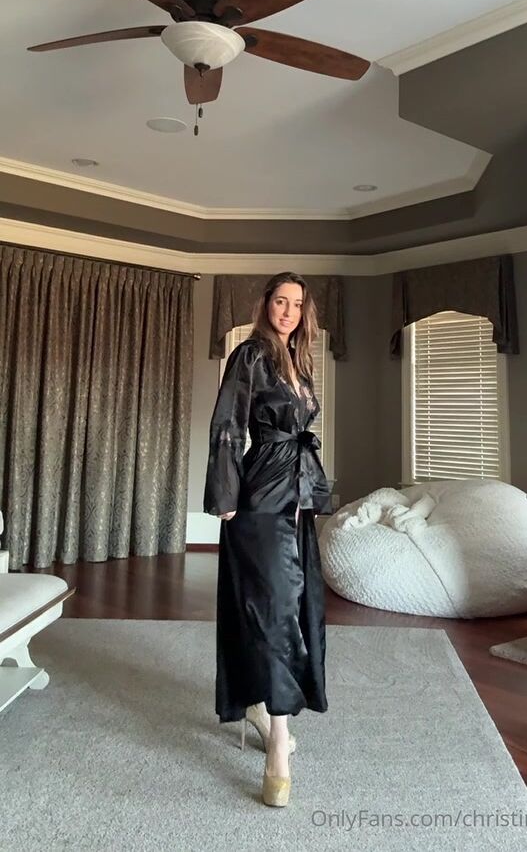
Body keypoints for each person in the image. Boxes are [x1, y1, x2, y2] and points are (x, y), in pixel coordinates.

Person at [204, 271, 331, 807]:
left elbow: (299, 434)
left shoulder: (299, 360)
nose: (288, 311)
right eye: (281, 301)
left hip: (297, 498)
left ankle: (259, 704)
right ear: (266, 304)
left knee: (293, 607)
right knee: (274, 608)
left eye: (297, 304)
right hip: (259, 497)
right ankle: (279, 740)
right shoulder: (250, 355)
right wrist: (225, 495)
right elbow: (228, 425)